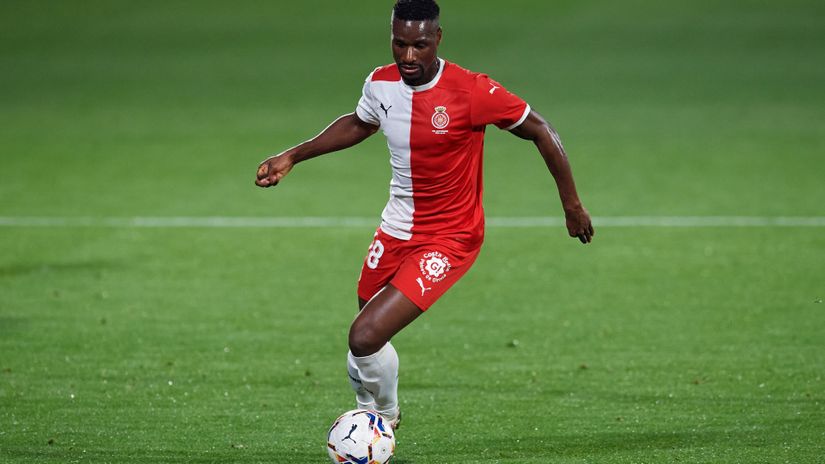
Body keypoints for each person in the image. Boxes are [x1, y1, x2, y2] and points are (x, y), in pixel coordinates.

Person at [255, 0, 594, 430]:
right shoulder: (381, 83)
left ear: (437, 39)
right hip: (395, 228)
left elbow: (541, 131)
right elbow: (360, 123)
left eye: (418, 45)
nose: (408, 56)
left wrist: (572, 206)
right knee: (368, 332)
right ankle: (373, 410)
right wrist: (293, 156)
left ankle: (382, 416)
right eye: (399, 44)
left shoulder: (473, 91)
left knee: (363, 336)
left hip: (451, 238)